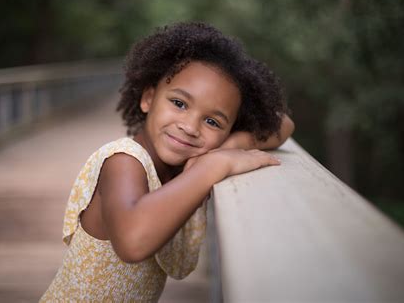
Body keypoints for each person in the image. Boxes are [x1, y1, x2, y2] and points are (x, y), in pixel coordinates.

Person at [40, 22, 294, 302]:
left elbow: (283, 125)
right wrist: (215, 165)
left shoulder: (192, 157)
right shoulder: (124, 161)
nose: (190, 126)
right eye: (179, 103)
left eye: (212, 121)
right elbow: (133, 242)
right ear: (149, 98)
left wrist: (230, 145)